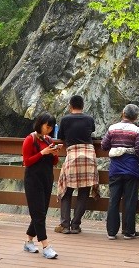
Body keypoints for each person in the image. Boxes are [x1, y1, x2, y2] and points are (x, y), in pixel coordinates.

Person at [101, 103, 139, 240]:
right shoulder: (136, 130)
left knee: (113, 200)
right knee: (130, 200)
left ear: (123, 113)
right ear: (136, 117)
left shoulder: (112, 128)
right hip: (131, 168)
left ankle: (112, 232)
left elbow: (104, 145)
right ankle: (128, 231)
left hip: (115, 168)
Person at [55, 95, 98, 235]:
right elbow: (91, 131)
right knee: (84, 192)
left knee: (67, 191)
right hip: (89, 156)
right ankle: (76, 225)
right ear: (83, 106)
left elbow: (60, 137)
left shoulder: (65, 120)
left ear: (70, 106)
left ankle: (65, 225)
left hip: (73, 156)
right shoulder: (89, 119)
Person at [22, 112, 60, 259]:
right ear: (40, 123)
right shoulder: (30, 139)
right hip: (33, 179)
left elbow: (54, 162)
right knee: (39, 213)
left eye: (51, 128)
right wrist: (42, 152)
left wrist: (54, 153)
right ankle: (46, 245)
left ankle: (28, 241)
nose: (49, 130)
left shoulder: (49, 139)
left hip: (46, 178)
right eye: (47, 126)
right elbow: (27, 161)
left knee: (41, 211)